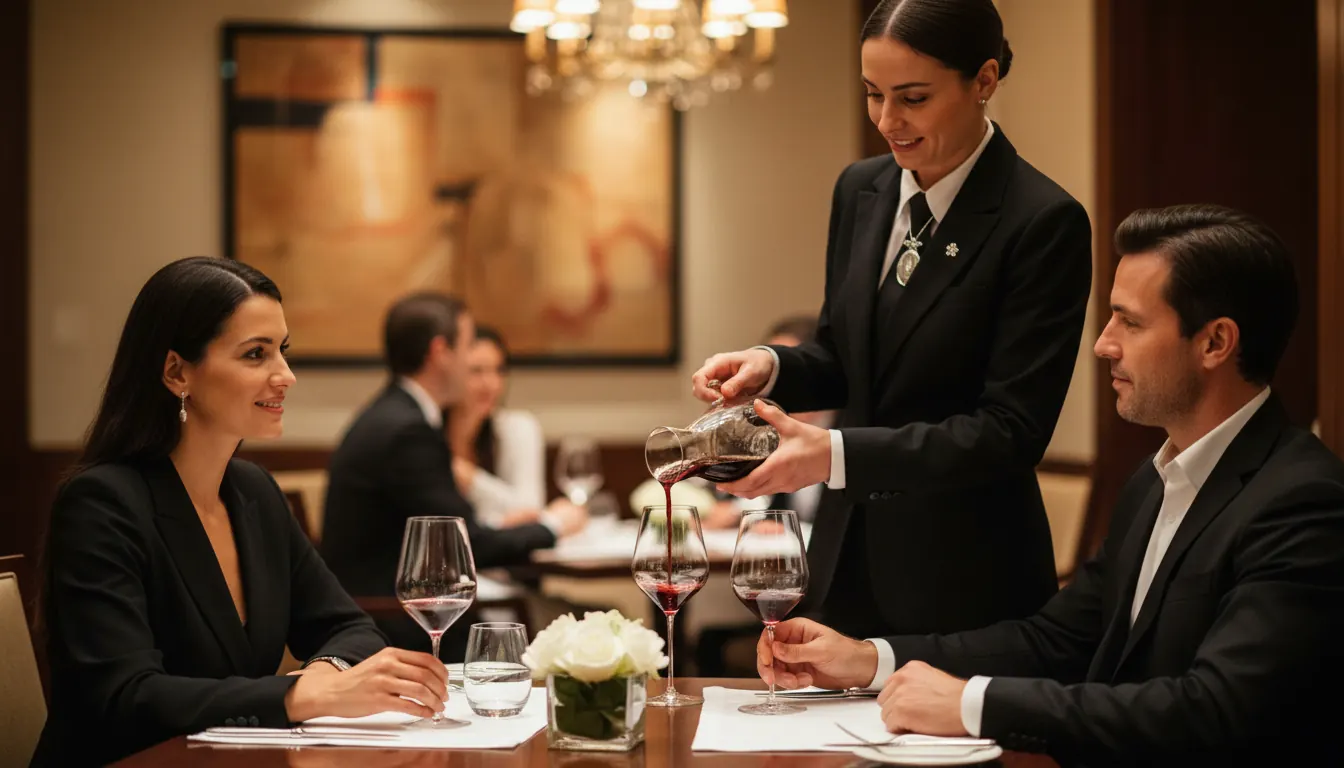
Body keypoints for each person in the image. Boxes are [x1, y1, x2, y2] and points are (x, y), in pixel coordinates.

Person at [755, 205, 1344, 766]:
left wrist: (971, 705)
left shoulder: (1299, 500)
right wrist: (865, 659)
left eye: (1131, 322)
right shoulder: (1155, 478)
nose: (1103, 343)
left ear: (1215, 342)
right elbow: (1056, 639)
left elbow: (1213, 709)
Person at [692, 0, 1092, 639]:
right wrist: (772, 367)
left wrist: (834, 453)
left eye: (912, 97)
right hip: (846, 558)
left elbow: (1009, 432)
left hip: (964, 574)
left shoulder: (1040, 222)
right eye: (873, 94)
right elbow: (844, 357)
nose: (886, 120)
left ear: (984, 81)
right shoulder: (862, 190)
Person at [33, 258, 448, 767]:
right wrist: (298, 697)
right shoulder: (102, 504)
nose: (286, 376)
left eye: (282, 351)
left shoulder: (254, 493)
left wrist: (322, 673)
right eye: (256, 354)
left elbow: (352, 629)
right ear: (176, 372)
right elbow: (125, 696)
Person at [320, 293, 587, 653]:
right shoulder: (407, 431)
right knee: (573, 628)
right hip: (392, 622)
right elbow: (465, 547)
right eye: (466, 346)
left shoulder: (394, 415)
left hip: (392, 610)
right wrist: (551, 526)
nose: (469, 361)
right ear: (439, 352)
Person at [703, 315, 836, 531]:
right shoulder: (765, 431)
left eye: (789, 368)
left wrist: (789, 528)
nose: (780, 381)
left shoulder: (852, 426)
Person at [446, 326, 549, 528]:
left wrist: (470, 478)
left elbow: (530, 509)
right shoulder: (423, 432)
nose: (491, 384)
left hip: (503, 553)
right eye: (476, 371)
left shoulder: (518, 427)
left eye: (499, 370)